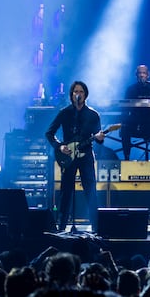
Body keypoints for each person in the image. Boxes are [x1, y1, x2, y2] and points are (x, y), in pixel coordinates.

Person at [45, 80, 105, 231]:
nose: (78, 94)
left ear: (86, 95)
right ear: (71, 95)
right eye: (75, 92)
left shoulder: (93, 115)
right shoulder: (64, 113)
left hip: (86, 156)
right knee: (66, 192)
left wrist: (100, 137)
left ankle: (96, 228)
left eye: (81, 92)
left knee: (90, 191)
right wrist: (60, 146)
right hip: (69, 157)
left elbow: (99, 140)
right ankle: (61, 227)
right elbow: (49, 133)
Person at [121, 64, 150, 161]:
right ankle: (127, 158)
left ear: (148, 75)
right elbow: (125, 106)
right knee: (124, 129)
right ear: (136, 75)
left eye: (144, 73)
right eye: (139, 73)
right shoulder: (130, 89)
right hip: (134, 123)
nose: (142, 75)